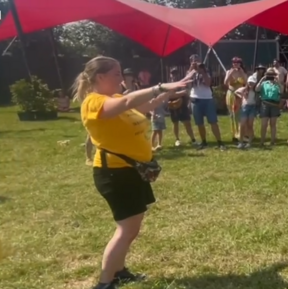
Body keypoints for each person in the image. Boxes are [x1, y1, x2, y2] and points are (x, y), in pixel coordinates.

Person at [74, 56, 190, 289]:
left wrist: (168, 93)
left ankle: (119, 270)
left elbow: (142, 107)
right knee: (126, 229)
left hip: (131, 172)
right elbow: (126, 104)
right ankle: (105, 282)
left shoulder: (115, 97)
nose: (122, 78)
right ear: (100, 77)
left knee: (131, 228)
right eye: (117, 74)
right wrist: (159, 86)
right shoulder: (94, 102)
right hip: (115, 174)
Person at [183, 54, 225, 150]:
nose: (196, 62)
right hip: (195, 99)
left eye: (197, 60)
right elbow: (187, 84)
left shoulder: (206, 70)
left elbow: (208, 83)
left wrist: (202, 71)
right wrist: (191, 69)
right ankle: (204, 142)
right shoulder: (189, 72)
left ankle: (220, 142)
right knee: (199, 123)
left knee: (213, 121)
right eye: (194, 61)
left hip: (207, 99)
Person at [167, 68, 197, 147]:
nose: (174, 76)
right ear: (170, 75)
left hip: (183, 105)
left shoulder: (182, 83)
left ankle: (193, 139)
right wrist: (179, 94)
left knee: (187, 123)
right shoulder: (169, 84)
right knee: (175, 123)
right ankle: (177, 140)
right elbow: (170, 95)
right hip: (173, 106)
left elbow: (186, 92)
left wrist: (177, 94)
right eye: (172, 74)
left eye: (175, 74)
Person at [256, 68, 282, 146]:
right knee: (264, 124)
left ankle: (272, 141)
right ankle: (262, 141)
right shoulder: (264, 83)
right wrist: (262, 79)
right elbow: (257, 89)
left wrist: (278, 82)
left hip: (274, 104)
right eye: (269, 74)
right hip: (265, 104)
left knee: (273, 124)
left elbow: (282, 90)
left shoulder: (277, 84)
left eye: (272, 75)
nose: (270, 76)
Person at [224, 57, 247, 142]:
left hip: (240, 96)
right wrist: (231, 73)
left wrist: (242, 73)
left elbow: (246, 83)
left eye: (237, 62)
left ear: (240, 64)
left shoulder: (242, 72)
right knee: (233, 115)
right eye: (234, 62)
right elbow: (225, 82)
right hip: (231, 94)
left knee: (240, 114)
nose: (235, 64)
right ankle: (234, 134)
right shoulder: (229, 72)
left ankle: (242, 133)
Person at [234, 73, 257, 149]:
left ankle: (249, 142)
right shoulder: (244, 89)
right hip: (245, 107)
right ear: (247, 82)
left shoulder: (255, 90)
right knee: (242, 125)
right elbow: (236, 92)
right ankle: (241, 142)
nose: (251, 84)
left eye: (252, 83)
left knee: (250, 125)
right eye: (250, 82)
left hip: (252, 107)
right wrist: (241, 96)